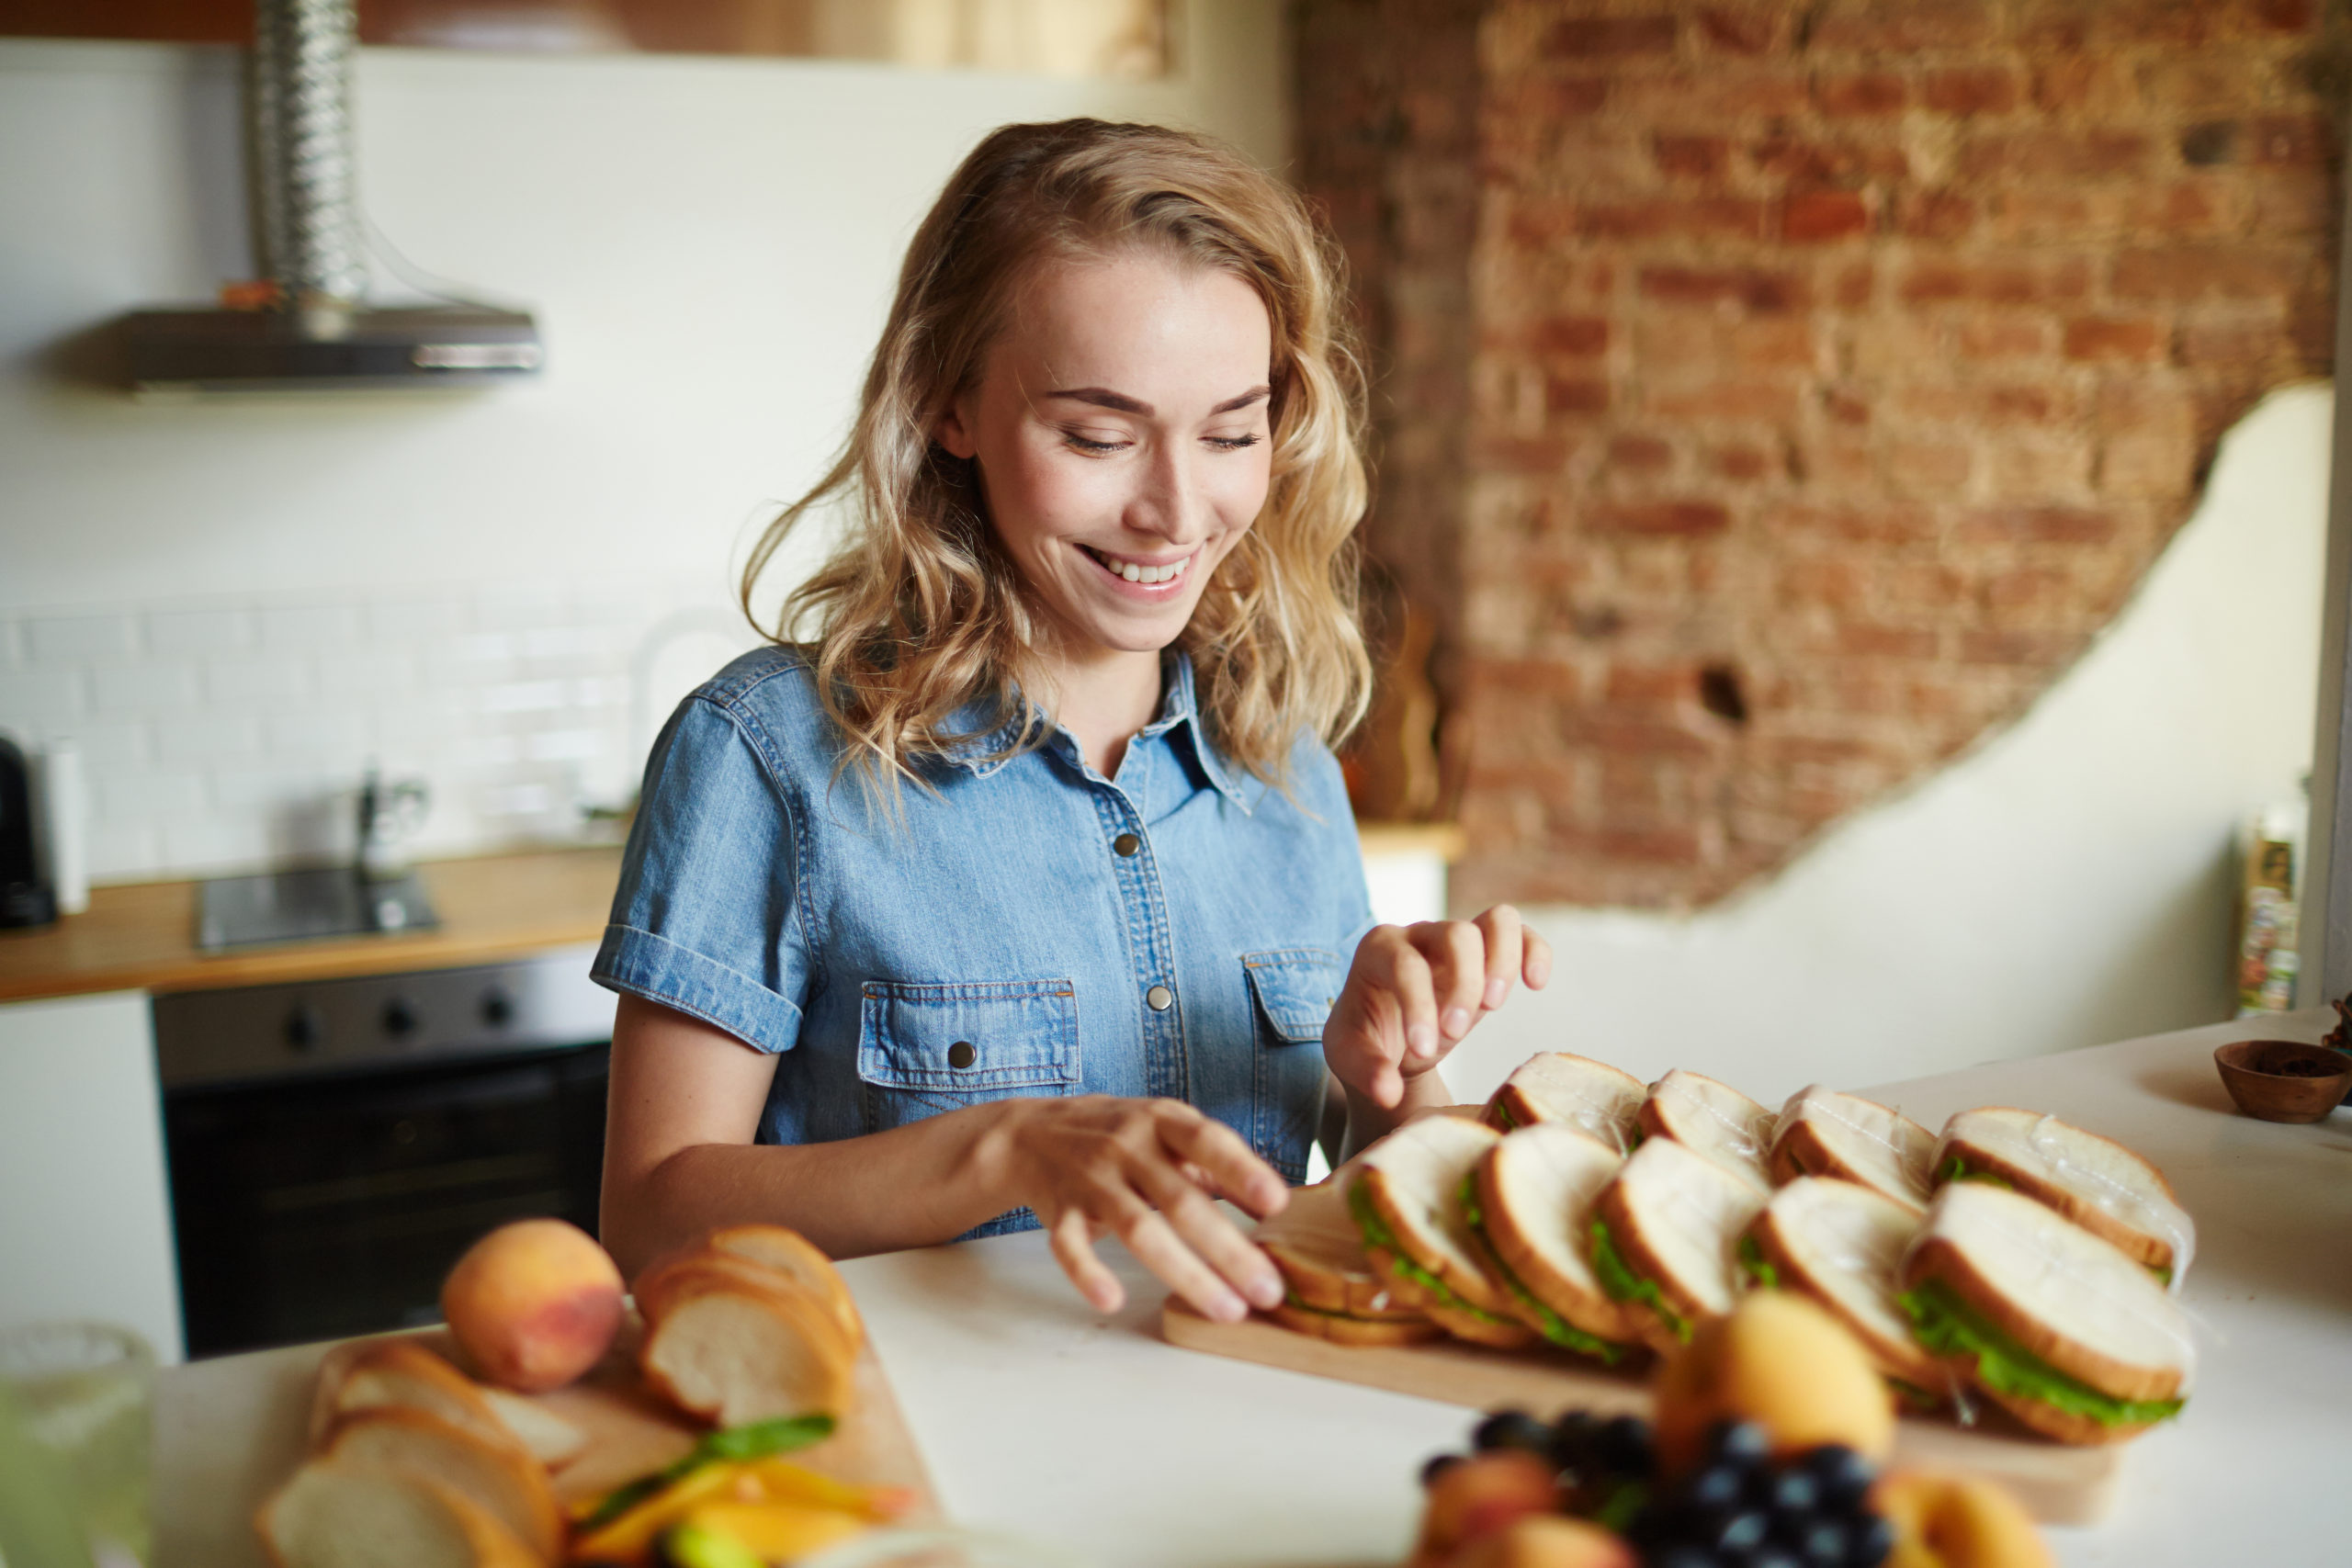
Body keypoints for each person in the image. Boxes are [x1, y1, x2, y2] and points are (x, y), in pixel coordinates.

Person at [593, 118, 1550, 1325]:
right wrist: (1000, 1153)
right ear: (950, 404)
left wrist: (1388, 1088)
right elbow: (647, 1222)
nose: (1173, 510)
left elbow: (1339, 1248)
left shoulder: (1286, 762)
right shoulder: (766, 754)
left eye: (1231, 432)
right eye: (1098, 435)